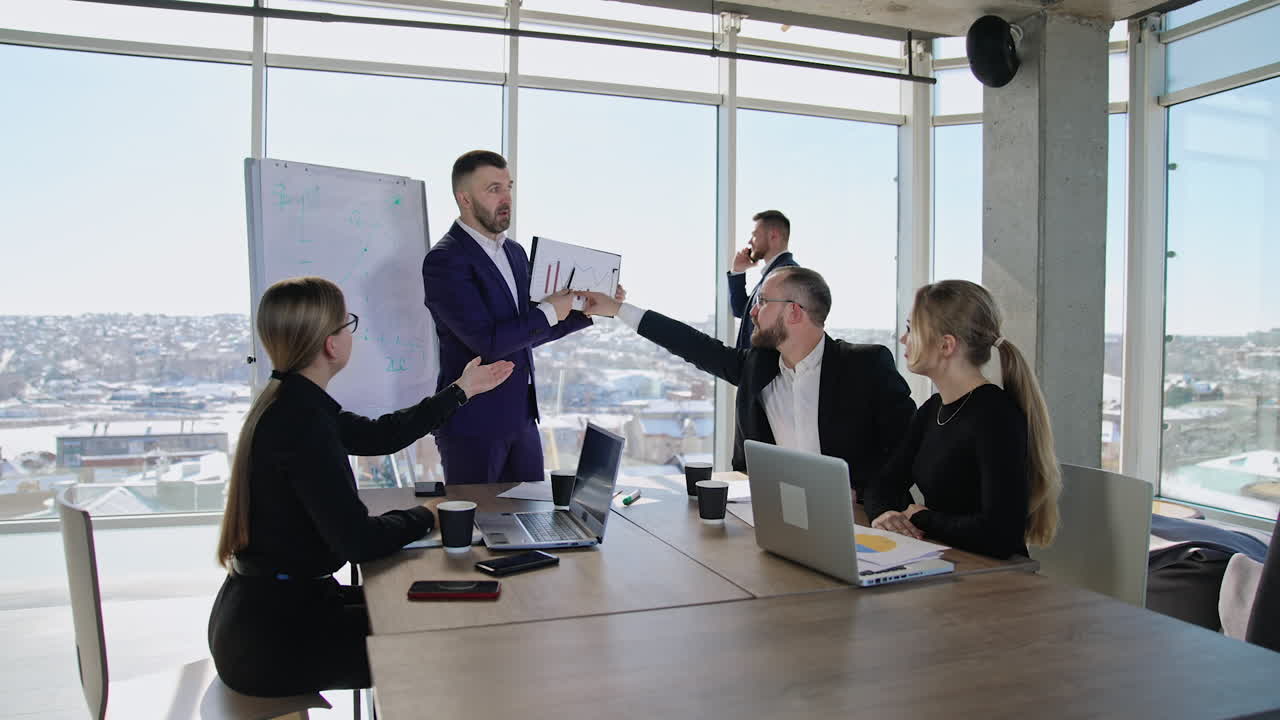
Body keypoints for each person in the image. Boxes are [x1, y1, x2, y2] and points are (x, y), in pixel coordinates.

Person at [208, 276, 513, 696]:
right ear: (332, 345)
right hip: (275, 644)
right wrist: (424, 516)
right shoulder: (302, 424)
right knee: (449, 637)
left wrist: (461, 391)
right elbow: (359, 542)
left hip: (264, 616)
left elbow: (379, 437)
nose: (351, 332)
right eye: (346, 323)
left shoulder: (292, 402)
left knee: (431, 603)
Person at [580, 267, 915, 499]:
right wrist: (619, 309)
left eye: (762, 302)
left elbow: (908, 447)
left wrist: (869, 496)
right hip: (772, 517)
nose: (753, 312)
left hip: (860, 523)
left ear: (794, 312)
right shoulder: (758, 365)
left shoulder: (865, 365)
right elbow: (690, 343)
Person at [422, 150, 593, 485]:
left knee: (533, 522)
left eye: (509, 187)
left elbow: (528, 331)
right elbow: (488, 342)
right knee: (475, 528)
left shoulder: (515, 253)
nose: (506, 198)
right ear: (464, 198)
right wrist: (549, 311)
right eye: (494, 189)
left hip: (522, 420)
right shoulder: (444, 260)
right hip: (473, 425)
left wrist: (583, 310)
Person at [864, 280, 1061, 559]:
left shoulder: (995, 416)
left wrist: (922, 518)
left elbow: (1000, 534)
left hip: (995, 577)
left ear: (946, 345)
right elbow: (883, 484)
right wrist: (883, 515)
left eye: (911, 329)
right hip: (949, 558)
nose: (904, 339)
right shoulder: (933, 408)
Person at [728, 210, 800, 350]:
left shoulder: (785, 274)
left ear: (773, 235)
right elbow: (741, 311)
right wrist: (738, 271)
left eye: (755, 235)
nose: (750, 241)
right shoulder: (773, 273)